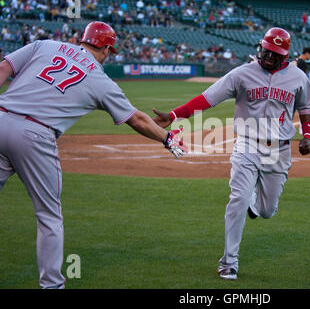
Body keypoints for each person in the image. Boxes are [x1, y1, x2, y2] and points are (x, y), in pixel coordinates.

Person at [0, 21, 186, 289]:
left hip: (2, 117)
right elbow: (137, 120)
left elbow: (4, 67)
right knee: (49, 216)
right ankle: (52, 285)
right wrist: (167, 138)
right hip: (36, 135)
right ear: (108, 50)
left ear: (82, 39)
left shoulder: (45, 45)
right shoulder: (100, 80)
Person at [152, 27, 310, 280]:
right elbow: (208, 99)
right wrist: (174, 115)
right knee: (237, 199)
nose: (268, 56)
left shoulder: (297, 77)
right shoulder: (242, 73)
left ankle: (255, 204)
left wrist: (307, 136)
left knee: (267, 210)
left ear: (285, 56)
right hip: (247, 144)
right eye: (266, 50)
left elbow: (306, 108)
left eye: (274, 54)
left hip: (279, 149)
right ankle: (229, 262)